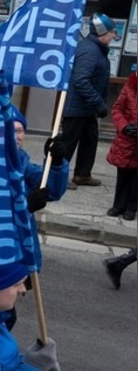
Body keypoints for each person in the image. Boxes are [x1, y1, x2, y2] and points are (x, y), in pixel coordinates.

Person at [62, 13, 117, 188]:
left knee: (90, 140)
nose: (114, 36)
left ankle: (82, 174)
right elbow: (80, 80)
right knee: (67, 143)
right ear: (102, 33)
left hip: (87, 108)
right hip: (77, 107)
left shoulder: (95, 49)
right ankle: (56, 175)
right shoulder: (89, 51)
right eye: (112, 32)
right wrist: (99, 103)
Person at [106, 71, 138, 219]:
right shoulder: (129, 87)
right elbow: (117, 109)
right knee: (123, 174)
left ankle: (131, 208)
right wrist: (124, 126)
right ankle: (118, 205)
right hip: (126, 139)